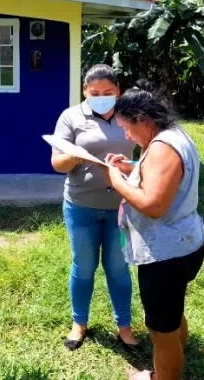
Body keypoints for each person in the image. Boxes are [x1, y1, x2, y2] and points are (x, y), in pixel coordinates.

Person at [103, 80, 204, 380]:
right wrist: (129, 167)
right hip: (185, 243)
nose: (125, 134)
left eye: (126, 128)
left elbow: (154, 205)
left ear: (143, 120)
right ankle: (173, 355)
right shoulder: (172, 136)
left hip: (165, 254)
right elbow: (161, 172)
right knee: (172, 313)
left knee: (160, 330)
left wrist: (115, 179)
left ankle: (163, 376)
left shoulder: (162, 148)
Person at [50, 64, 139, 351]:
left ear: (118, 91)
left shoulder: (131, 115)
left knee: (118, 267)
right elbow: (57, 163)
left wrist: (129, 167)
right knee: (84, 266)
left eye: (108, 92)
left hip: (121, 206)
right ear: (85, 92)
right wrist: (77, 156)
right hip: (81, 206)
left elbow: (148, 155)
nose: (101, 97)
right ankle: (79, 323)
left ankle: (124, 326)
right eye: (94, 93)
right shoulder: (71, 117)